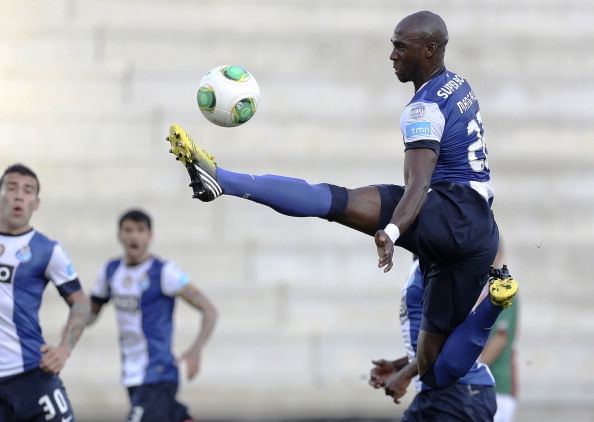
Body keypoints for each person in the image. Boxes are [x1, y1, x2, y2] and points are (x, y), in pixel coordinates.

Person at [165, 9, 518, 389]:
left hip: (447, 216)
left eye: (401, 47)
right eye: (393, 45)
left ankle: (224, 180)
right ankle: (496, 301)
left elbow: (418, 182)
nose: (392, 55)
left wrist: (393, 231)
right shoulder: (458, 84)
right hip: (476, 228)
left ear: (429, 50)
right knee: (431, 367)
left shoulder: (423, 109)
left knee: (334, 202)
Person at [87, 209, 218, 422]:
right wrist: (74, 324)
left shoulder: (165, 272)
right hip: (131, 373)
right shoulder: (110, 271)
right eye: (128, 230)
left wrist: (196, 349)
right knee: (170, 415)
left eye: (140, 230)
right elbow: (91, 312)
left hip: (159, 372)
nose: (134, 236)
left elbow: (209, 310)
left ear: (150, 236)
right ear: (119, 235)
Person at [0, 163, 90, 421]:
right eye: (12, 187)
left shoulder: (47, 250)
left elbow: (80, 303)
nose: (19, 195)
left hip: (31, 376)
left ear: (36, 203)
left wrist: (64, 349)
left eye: (28, 191)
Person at [369, 258, 499, 421]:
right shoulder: (423, 265)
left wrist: (405, 374)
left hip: (458, 394)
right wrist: (398, 366)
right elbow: (432, 341)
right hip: (437, 395)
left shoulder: (436, 264)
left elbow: (449, 340)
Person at [479, 246, 520, 422]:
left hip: (497, 388)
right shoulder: (477, 291)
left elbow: (499, 340)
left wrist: (465, 373)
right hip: (479, 388)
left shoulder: (503, 290)